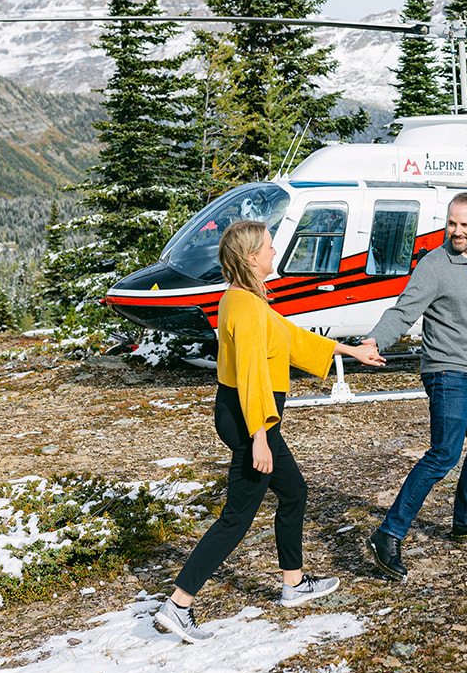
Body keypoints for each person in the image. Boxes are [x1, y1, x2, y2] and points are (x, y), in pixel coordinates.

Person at [155, 220, 384, 643]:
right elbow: (252, 375)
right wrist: (259, 436)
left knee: (294, 491)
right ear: (251, 258)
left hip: (254, 416)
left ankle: (293, 584)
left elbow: (290, 337)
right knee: (237, 516)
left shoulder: (249, 301)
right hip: (250, 418)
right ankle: (179, 603)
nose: (275, 251)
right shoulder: (242, 307)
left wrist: (348, 350)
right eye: (269, 247)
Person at [363, 192, 467, 581]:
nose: (457, 231)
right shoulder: (434, 263)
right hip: (446, 373)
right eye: (451, 223)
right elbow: (403, 310)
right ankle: (388, 534)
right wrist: (376, 341)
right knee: (444, 454)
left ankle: (466, 520)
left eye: (465, 224)